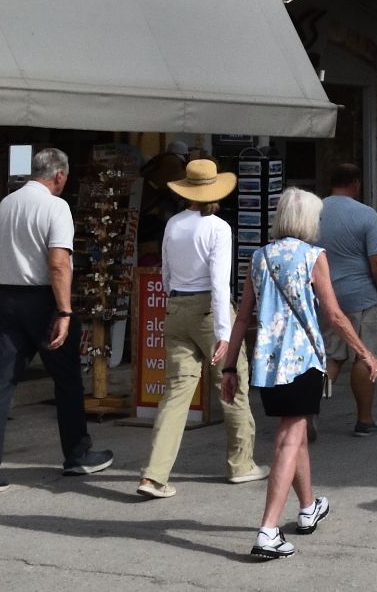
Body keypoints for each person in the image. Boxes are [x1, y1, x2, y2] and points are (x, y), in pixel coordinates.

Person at [217, 187, 377, 561]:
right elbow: (335, 315)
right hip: (304, 361)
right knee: (289, 439)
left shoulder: (258, 257)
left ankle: (308, 508)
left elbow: (242, 316)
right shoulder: (313, 256)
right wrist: (364, 352)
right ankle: (268, 530)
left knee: (295, 430)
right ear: (309, 221)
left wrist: (230, 366)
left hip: (267, 364)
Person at [0, 148, 111, 495]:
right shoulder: (55, 206)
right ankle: (78, 453)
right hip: (44, 300)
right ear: (59, 175)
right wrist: (63, 311)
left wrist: (11, 282)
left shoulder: (6, 205)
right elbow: (58, 263)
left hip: (9, 297)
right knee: (67, 378)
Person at [138, 158, 264, 498]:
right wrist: (225, 332)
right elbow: (220, 283)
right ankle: (241, 464)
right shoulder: (218, 228)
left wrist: (174, 299)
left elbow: (164, 273)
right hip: (209, 309)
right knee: (232, 382)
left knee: (177, 392)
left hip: (177, 306)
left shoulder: (174, 224)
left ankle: (154, 475)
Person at [316, 164, 377, 439]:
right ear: (356, 184)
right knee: (365, 355)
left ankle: (310, 411)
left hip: (325, 296)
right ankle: (365, 419)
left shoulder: (315, 212)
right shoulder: (366, 215)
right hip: (360, 296)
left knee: (332, 357)